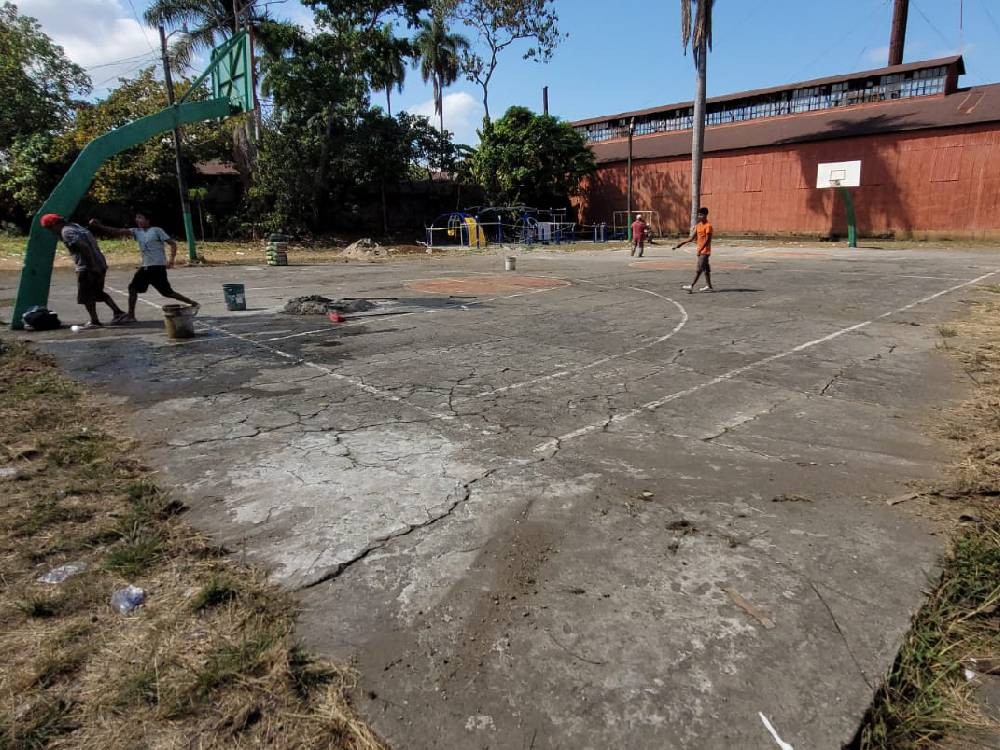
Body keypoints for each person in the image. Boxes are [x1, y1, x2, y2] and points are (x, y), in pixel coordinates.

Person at [89, 211, 198, 322]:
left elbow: (172, 243)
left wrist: (171, 260)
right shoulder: (136, 231)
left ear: (148, 220)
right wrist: (100, 226)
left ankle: (131, 316)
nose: (137, 220)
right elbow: (117, 231)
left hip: (156, 267)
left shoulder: (156, 230)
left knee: (140, 289)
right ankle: (193, 303)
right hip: (148, 267)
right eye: (137, 218)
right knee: (165, 292)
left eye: (140, 218)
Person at [39, 213, 126, 328]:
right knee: (97, 292)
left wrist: (92, 265)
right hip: (100, 263)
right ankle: (118, 313)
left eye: (50, 228)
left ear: (55, 224)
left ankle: (95, 321)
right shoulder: (76, 226)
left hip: (87, 266)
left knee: (86, 296)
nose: (51, 231)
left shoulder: (66, 232)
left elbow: (84, 246)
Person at [674, 207, 714, 293]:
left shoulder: (708, 226)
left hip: (705, 252)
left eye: (701, 215)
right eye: (699, 215)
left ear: (705, 215)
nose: (699, 216)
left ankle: (691, 286)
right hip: (700, 251)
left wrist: (701, 249)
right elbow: (692, 238)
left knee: (699, 269)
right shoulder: (698, 226)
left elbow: (708, 240)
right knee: (706, 270)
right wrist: (682, 243)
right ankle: (709, 286)